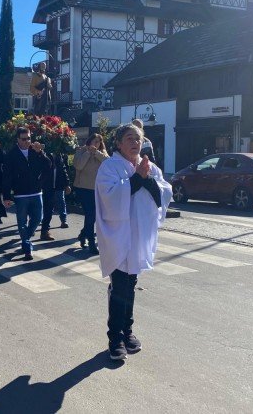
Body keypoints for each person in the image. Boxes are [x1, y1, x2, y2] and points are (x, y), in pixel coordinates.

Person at [95, 123, 172, 361]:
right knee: (120, 287)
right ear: (118, 143)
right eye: (129, 138)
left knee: (130, 286)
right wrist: (138, 178)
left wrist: (147, 178)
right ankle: (114, 338)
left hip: (139, 237)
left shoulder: (149, 166)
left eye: (138, 139)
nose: (135, 143)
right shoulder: (110, 166)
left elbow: (164, 193)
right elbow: (110, 197)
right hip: (119, 236)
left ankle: (127, 331)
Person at [1, 127, 51, 260]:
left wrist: (40, 152)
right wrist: (6, 196)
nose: (27, 141)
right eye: (24, 139)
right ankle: (27, 246)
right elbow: (6, 177)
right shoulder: (11, 155)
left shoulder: (35, 151)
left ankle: (25, 239)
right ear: (17, 139)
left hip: (36, 191)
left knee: (38, 218)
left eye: (29, 138)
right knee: (22, 221)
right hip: (20, 193)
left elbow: (48, 166)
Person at [73, 133, 108, 253]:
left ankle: (83, 234)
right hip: (83, 188)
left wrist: (97, 153)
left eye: (98, 142)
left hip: (98, 189)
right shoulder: (81, 150)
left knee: (93, 215)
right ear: (89, 142)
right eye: (94, 141)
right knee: (90, 214)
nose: (96, 144)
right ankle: (92, 243)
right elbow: (79, 166)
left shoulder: (102, 152)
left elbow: (108, 163)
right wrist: (88, 153)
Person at [40, 149, 71, 241]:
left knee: (60, 201)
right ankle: (42, 228)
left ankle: (61, 221)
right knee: (47, 208)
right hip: (47, 186)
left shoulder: (59, 154)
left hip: (58, 185)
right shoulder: (43, 153)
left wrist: (67, 184)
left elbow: (63, 169)